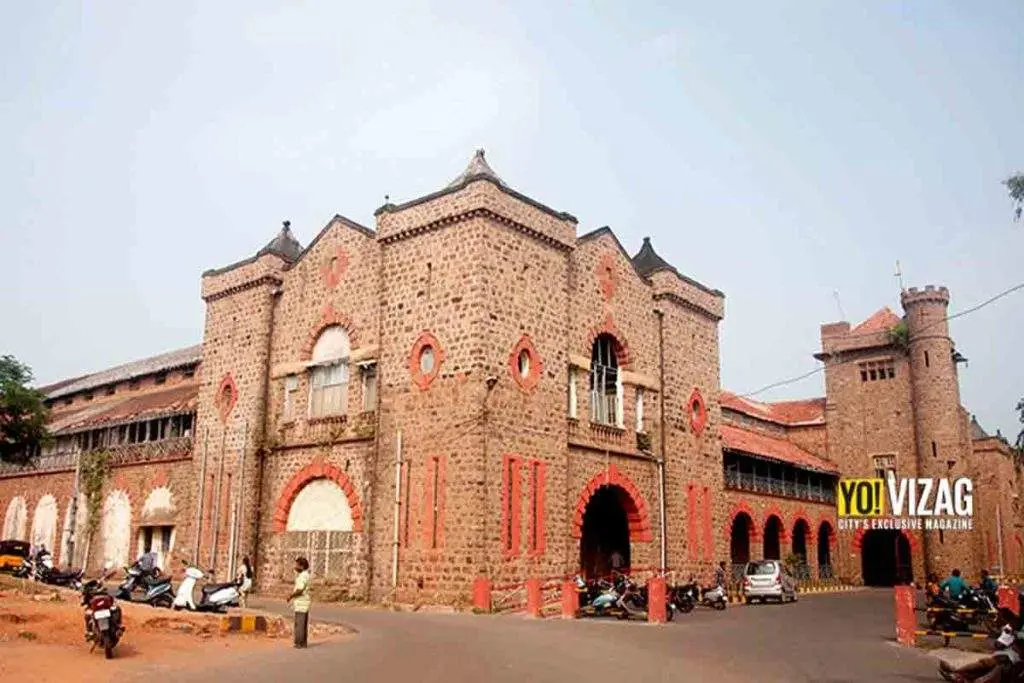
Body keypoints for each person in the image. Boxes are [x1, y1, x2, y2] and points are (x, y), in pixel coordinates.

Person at [287, 557, 311, 649]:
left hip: (301, 602)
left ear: (302, 566)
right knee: (303, 623)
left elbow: (300, 590)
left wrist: (291, 596)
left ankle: (299, 642)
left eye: (297, 565)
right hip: (304, 602)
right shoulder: (305, 575)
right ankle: (303, 642)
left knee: (299, 624)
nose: (295, 566)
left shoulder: (302, 576)